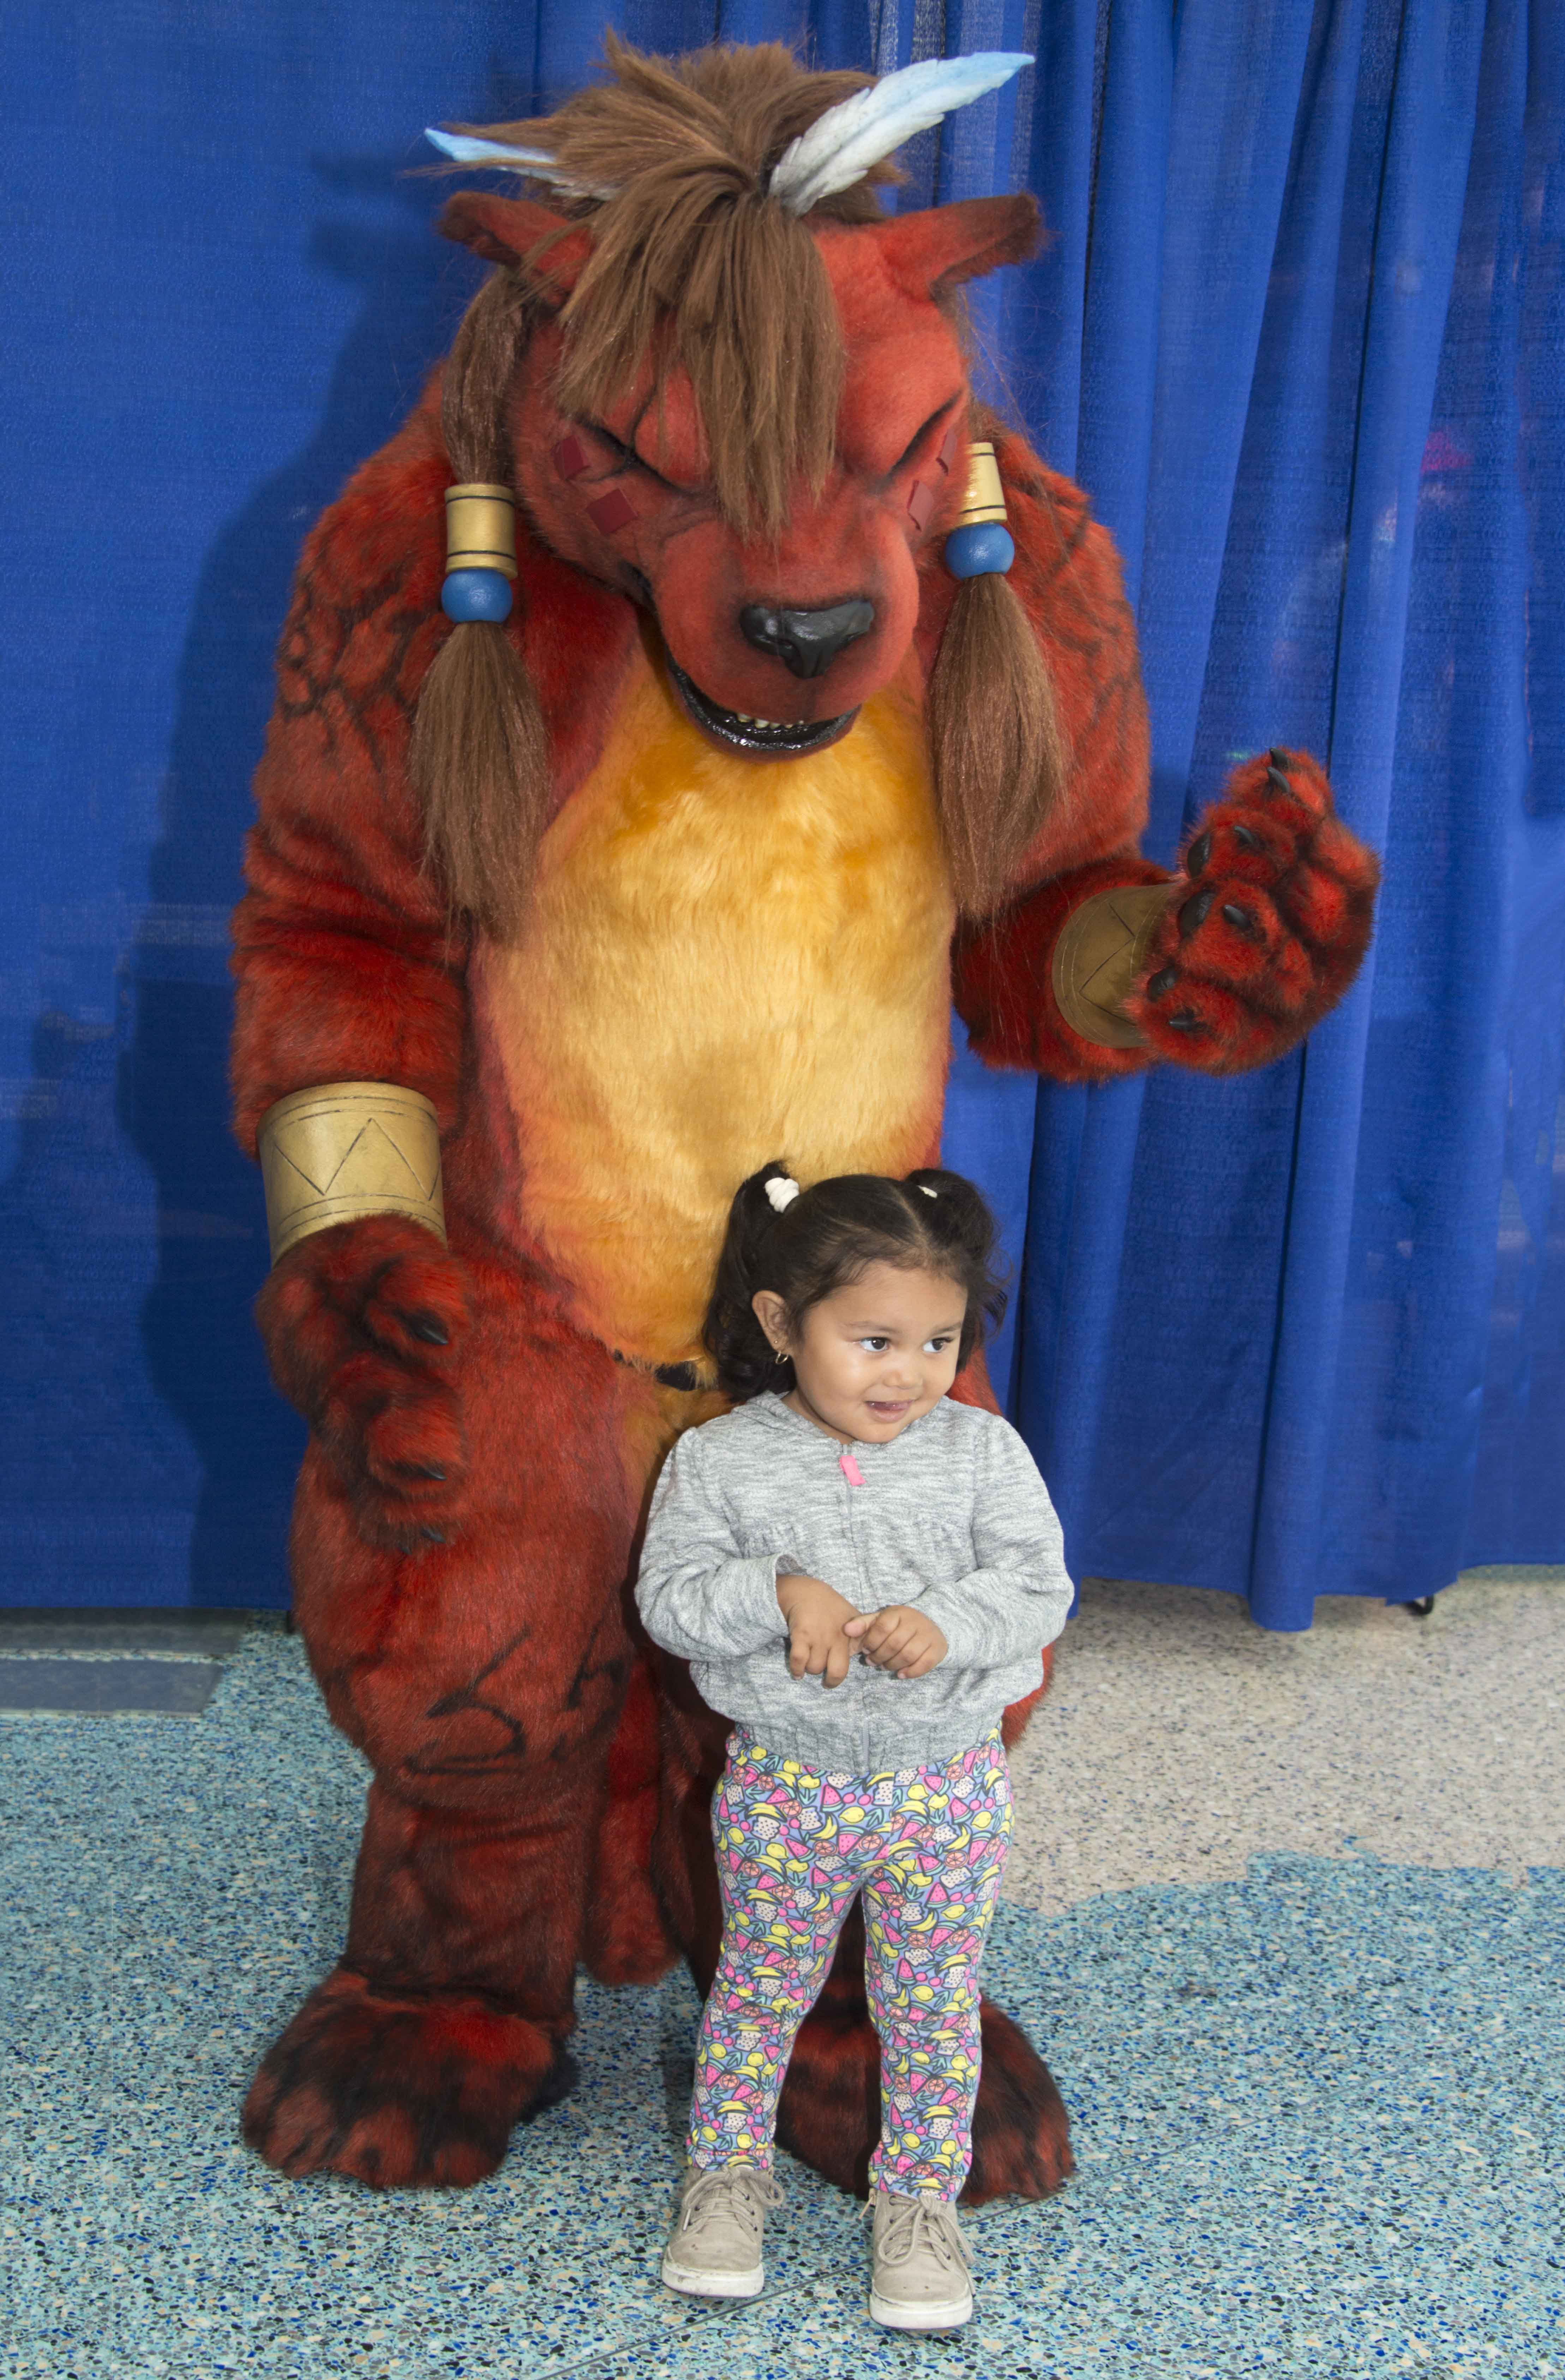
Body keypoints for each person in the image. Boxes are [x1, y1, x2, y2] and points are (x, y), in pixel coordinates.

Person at [635, 1160, 1073, 2332]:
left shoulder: (981, 1452)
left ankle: (918, 2200)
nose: (910, 1375)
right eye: (874, 1340)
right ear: (782, 1324)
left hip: (946, 1788)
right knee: (756, 1995)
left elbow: (1037, 1586)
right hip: (786, 1785)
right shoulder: (718, 1462)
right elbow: (669, 1601)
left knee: (932, 2002)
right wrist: (778, 1590)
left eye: (937, 1343)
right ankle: (726, 2177)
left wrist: (952, 1626)